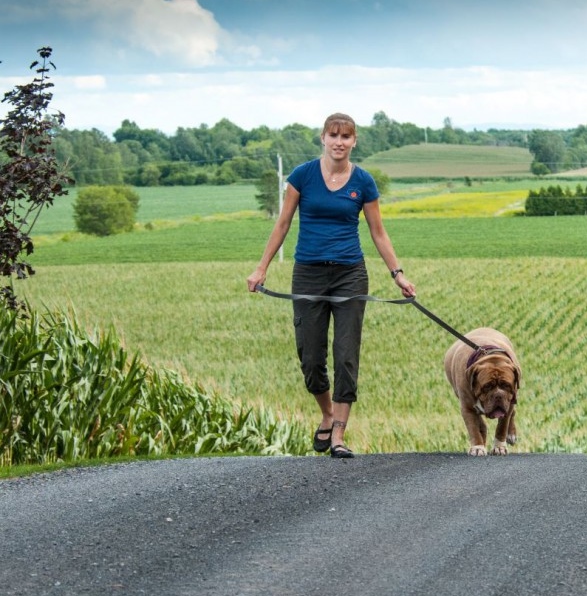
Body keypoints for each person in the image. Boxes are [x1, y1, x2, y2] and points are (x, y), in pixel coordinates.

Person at [247, 113, 416, 458]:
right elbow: (282, 225)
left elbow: (378, 232)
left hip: (349, 274)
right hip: (307, 273)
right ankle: (326, 412)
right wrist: (261, 268)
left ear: (354, 142)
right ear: (322, 138)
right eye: (333, 135)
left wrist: (398, 274)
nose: (339, 142)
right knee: (310, 357)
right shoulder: (302, 177)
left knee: (346, 354)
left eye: (346, 136)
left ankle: (338, 433)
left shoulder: (364, 182)